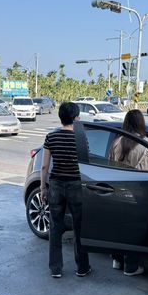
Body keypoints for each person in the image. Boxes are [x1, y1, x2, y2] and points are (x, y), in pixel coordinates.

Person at [40, 102, 91, 278]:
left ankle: (56, 268)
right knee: (79, 227)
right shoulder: (81, 138)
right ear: (76, 118)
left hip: (55, 184)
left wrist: (42, 188)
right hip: (76, 185)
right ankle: (82, 267)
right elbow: (87, 165)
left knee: (55, 226)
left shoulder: (51, 137)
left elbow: (45, 166)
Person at [109, 109, 148, 276]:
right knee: (134, 229)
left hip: (117, 191)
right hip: (138, 193)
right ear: (141, 123)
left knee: (119, 226)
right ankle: (130, 266)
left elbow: (109, 165)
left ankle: (117, 260)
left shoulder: (117, 142)